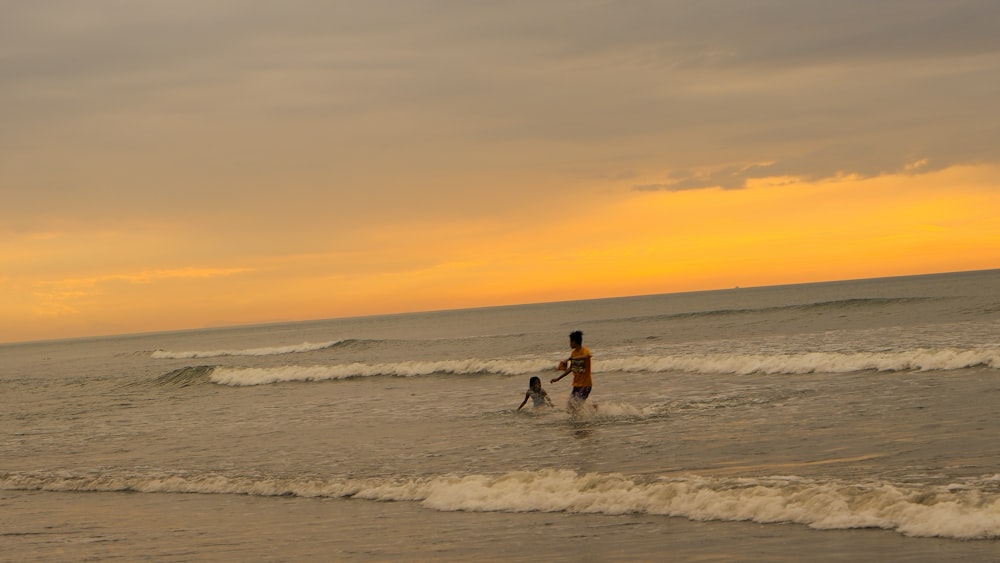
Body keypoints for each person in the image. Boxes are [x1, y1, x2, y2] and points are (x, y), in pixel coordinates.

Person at [550, 330, 592, 412]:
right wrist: (558, 379)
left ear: (575, 342)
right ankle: (592, 409)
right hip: (576, 384)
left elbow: (586, 356)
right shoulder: (573, 353)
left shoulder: (584, 351)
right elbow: (571, 368)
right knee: (569, 408)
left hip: (585, 384)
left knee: (576, 406)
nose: (569, 344)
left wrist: (571, 359)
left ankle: (582, 421)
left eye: (570, 342)